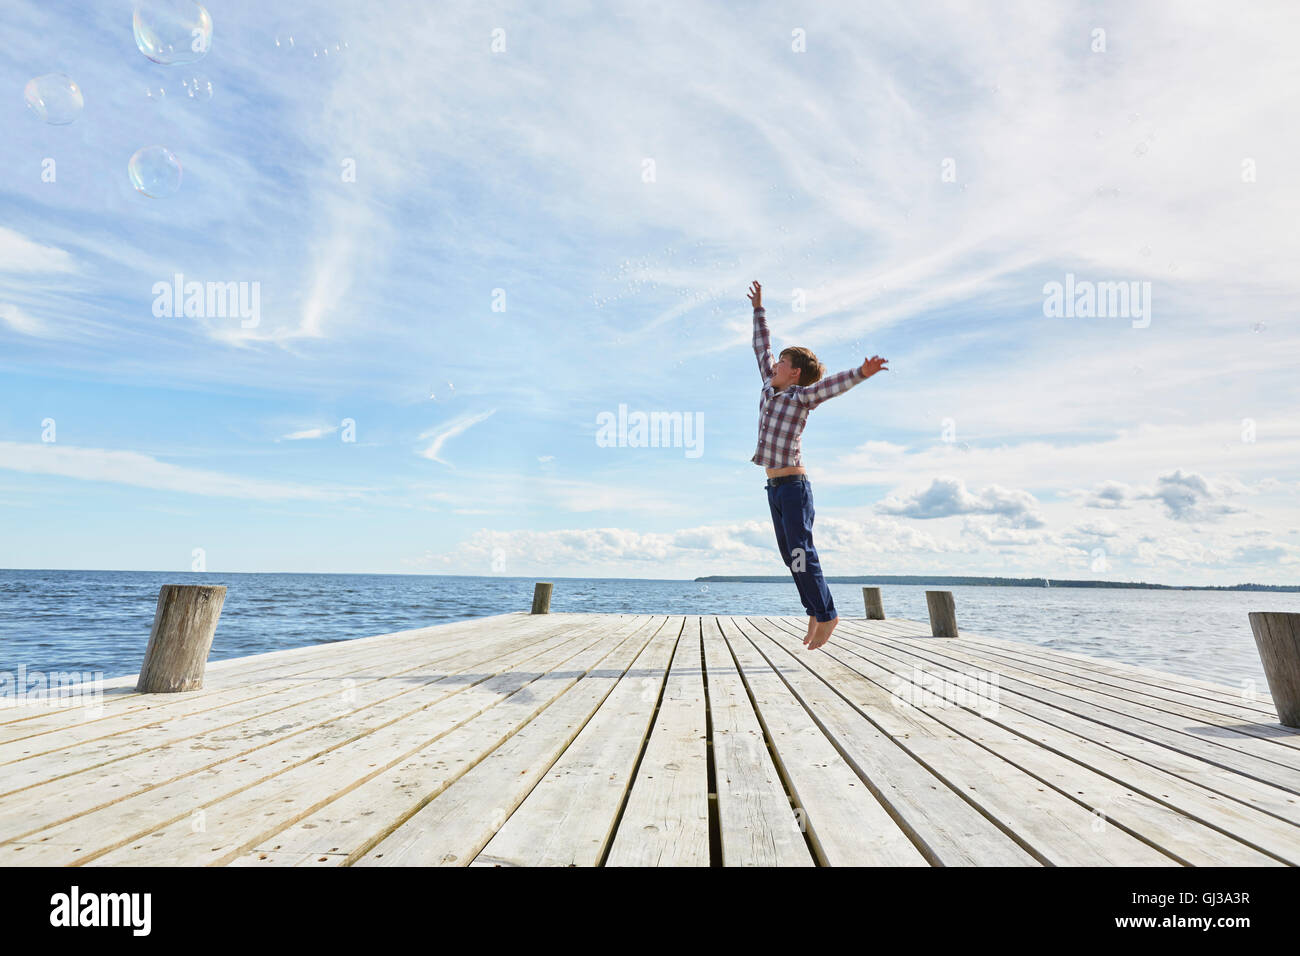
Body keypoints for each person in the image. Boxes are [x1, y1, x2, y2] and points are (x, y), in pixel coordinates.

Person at [747, 280, 888, 650]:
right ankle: (813, 609)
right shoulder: (768, 385)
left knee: (801, 552)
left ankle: (828, 614)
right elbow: (760, 346)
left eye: (782, 361)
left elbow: (832, 387)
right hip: (774, 488)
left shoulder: (801, 398)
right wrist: (759, 310)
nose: (774, 363)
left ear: (793, 372)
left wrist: (861, 373)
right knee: (789, 557)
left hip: (794, 488)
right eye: (776, 361)